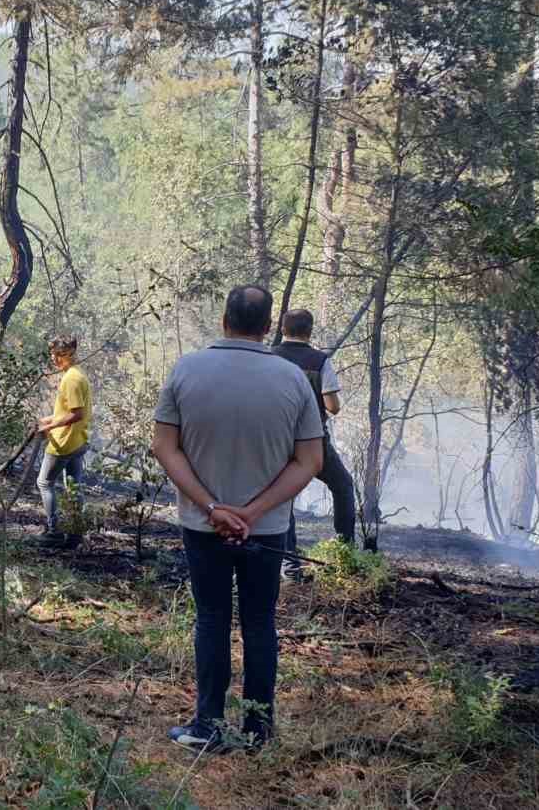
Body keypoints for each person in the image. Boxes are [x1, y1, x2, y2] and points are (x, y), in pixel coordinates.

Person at [152, 285, 323, 754]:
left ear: (224, 318)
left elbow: (165, 447)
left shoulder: (187, 370)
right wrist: (253, 512)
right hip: (265, 531)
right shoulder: (291, 380)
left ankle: (208, 724)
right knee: (260, 622)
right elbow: (309, 460)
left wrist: (213, 508)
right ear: (268, 327)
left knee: (211, 617)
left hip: (202, 524)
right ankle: (257, 730)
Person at [274, 308, 360, 580]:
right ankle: (345, 553)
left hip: (277, 440)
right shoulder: (319, 360)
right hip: (313, 441)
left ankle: (290, 566)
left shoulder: (268, 357)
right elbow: (333, 407)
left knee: (284, 498)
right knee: (343, 486)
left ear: (282, 329)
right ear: (309, 331)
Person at [36, 335, 91, 547]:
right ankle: (76, 533)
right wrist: (47, 419)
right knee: (74, 486)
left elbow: (77, 414)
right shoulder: (77, 374)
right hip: (78, 440)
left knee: (44, 483)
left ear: (72, 354)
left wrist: (49, 427)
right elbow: (69, 411)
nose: (55, 359)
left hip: (65, 442)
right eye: (54, 354)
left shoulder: (72, 379)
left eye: (61, 355)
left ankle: (53, 532)